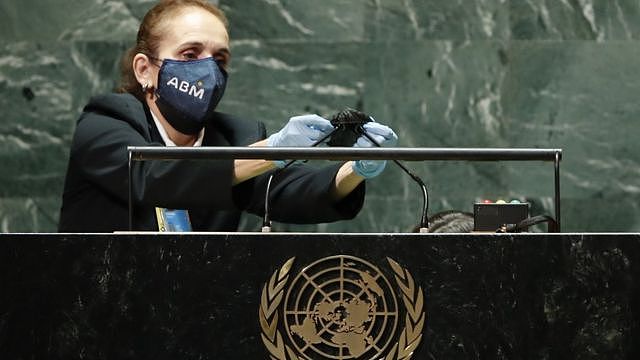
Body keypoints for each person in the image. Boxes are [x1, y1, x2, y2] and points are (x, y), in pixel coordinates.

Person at [58, 0, 397, 232]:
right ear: (145, 70)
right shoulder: (105, 121)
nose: (207, 70)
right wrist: (268, 152)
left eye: (219, 59)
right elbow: (153, 177)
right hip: (95, 315)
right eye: (190, 54)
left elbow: (291, 191)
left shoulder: (237, 136)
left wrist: (354, 169)